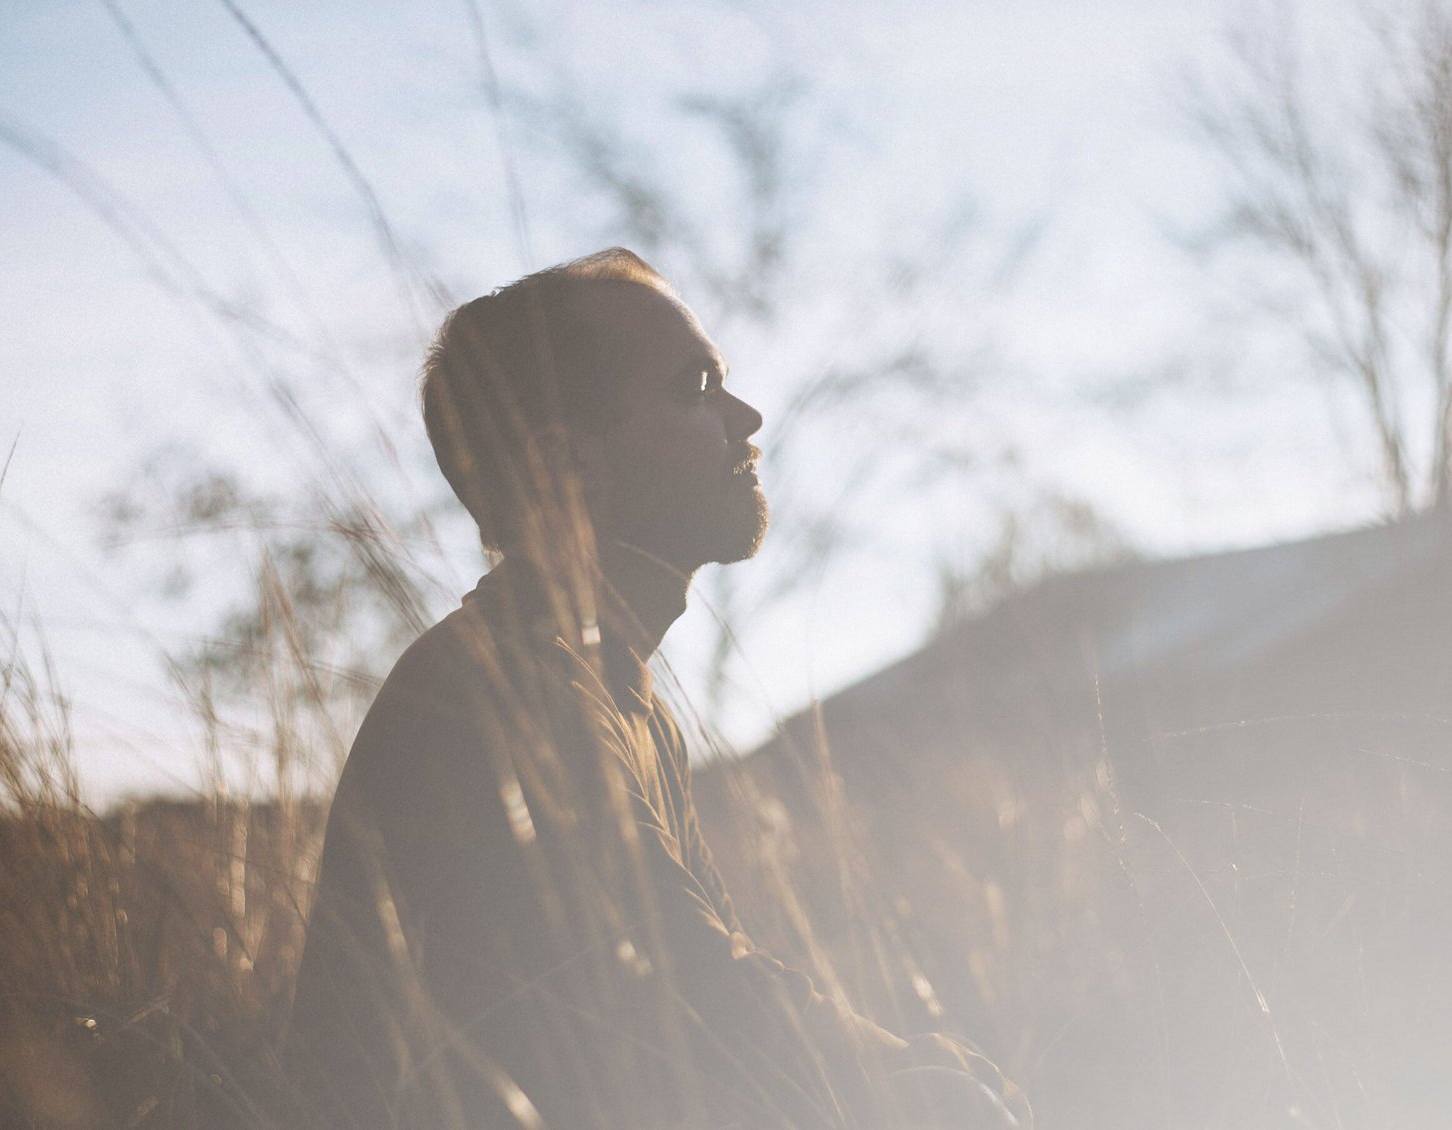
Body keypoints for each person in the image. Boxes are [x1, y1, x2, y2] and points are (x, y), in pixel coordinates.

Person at [283, 249, 1026, 1128]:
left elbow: (716, 966)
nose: (745, 416)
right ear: (567, 465)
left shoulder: (622, 696)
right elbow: (688, 984)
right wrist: (911, 1082)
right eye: (697, 387)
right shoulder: (512, 689)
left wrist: (905, 1060)